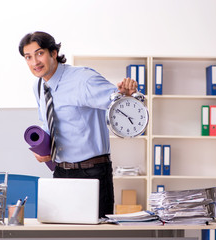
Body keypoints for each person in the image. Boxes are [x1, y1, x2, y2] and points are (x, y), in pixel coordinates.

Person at [19, 31, 137, 218]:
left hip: (92, 172)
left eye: (39, 53)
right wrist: (43, 148)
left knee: (96, 234)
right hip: (60, 171)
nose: (35, 62)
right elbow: (46, 121)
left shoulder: (83, 79)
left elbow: (121, 108)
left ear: (53, 53)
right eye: (28, 57)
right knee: (61, 232)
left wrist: (127, 95)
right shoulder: (39, 86)